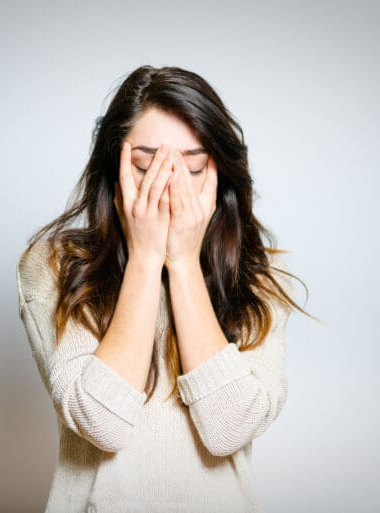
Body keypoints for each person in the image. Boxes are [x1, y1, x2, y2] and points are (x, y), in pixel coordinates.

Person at [16, 65, 316, 513]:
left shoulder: (261, 280)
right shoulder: (56, 268)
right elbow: (101, 422)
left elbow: (229, 427)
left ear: (219, 177)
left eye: (191, 168)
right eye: (145, 166)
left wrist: (182, 262)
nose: (168, 187)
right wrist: (144, 256)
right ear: (113, 170)